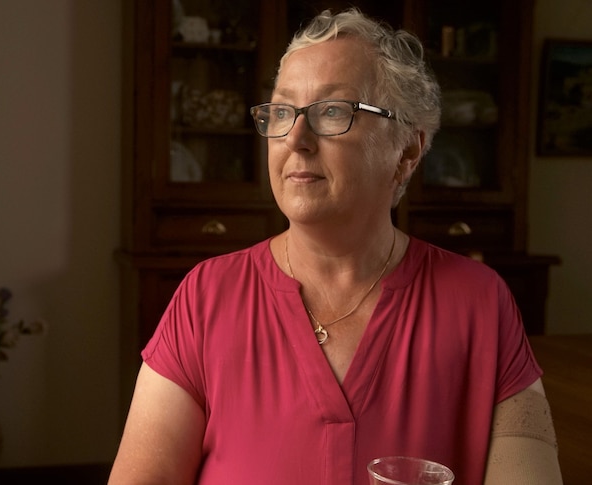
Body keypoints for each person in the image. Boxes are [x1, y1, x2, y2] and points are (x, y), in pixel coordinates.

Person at [108, 8, 562, 485]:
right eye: (282, 111)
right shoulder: (206, 297)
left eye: (332, 112)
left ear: (406, 150)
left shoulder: (480, 303)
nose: (296, 139)